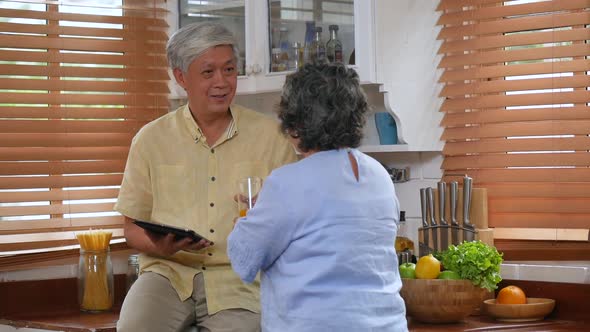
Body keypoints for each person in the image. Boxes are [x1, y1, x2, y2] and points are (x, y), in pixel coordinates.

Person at [115, 22, 297, 332]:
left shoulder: (273, 137)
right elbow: (131, 227)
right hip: (167, 273)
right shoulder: (149, 139)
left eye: (229, 70)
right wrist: (161, 247)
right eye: (208, 72)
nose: (222, 82)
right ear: (181, 77)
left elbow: (295, 222)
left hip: (240, 278)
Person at [227, 62, 408, 331]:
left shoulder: (287, 183)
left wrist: (251, 216)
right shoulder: (379, 176)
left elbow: (244, 260)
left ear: (295, 121)